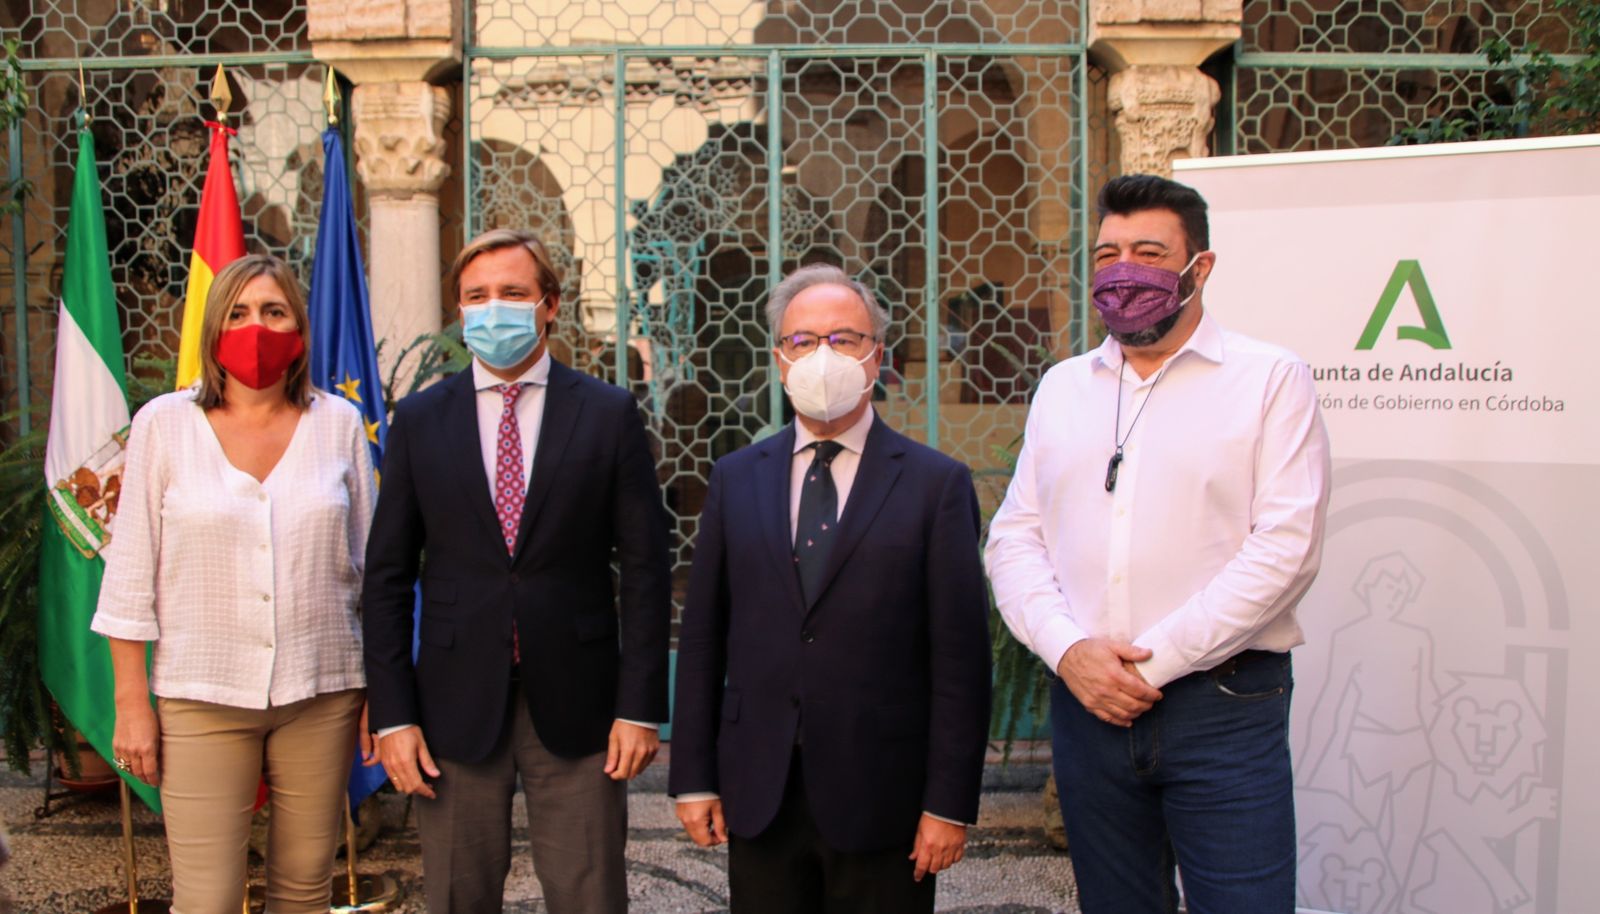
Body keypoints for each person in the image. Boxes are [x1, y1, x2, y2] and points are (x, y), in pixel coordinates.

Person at [985, 174, 1332, 914]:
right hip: (1086, 707)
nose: (1122, 270)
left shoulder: (1270, 380)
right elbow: (1015, 538)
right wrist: (1070, 651)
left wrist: (1153, 665)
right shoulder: (1063, 388)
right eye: (1108, 253)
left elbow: (1286, 549)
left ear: (1198, 268)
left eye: (1148, 251)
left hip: (1222, 706)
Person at [363, 228, 672, 914]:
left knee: (589, 893)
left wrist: (639, 706)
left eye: (512, 293)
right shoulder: (417, 420)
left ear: (549, 304)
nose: (492, 309)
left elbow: (646, 567)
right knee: (456, 895)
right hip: (451, 702)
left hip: (583, 702)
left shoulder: (607, 413)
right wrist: (392, 716)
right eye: (476, 297)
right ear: (458, 309)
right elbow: (386, 576)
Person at [670, 263, 992, 914]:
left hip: (885, 796)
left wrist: (948, 804)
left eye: (844, 339)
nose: (823, 355)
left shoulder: (936, 485)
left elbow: (960, 659)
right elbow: (705, 637)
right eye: (802, 340)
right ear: (778, 359)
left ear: (878, 356)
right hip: (759, 790)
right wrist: (693, 779)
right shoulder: (736, 478)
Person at [93, 254, 375, 913]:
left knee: (305, 888)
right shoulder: (164, 424)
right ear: (215, 328)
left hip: (324, 691)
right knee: (208, 898)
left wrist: (378, 689)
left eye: (274, 312)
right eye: (240, 313)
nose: (257, 326)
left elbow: (370, 569)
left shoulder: (336, 424)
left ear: (299, 329)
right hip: (203, 697)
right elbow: (130, 571)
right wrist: (133, 704)